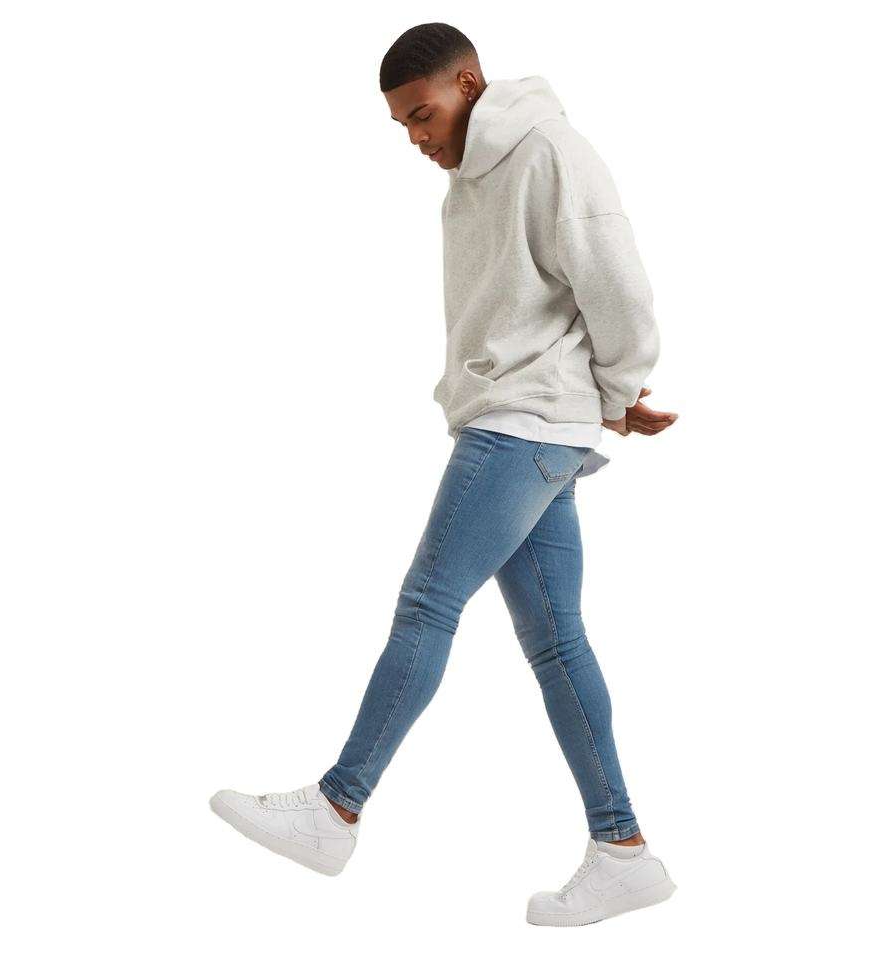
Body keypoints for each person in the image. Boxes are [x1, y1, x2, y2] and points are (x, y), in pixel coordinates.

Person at [210, 22, 680, 926]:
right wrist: (605, 401)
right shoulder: (472, 176)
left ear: (468, 83)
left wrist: (618, 391)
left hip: (520, 425)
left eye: (422, 114)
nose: (416, 137)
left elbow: (618, 282)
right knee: (557, 643)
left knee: (429, 604)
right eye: (402, 125)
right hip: (530, 420)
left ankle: (336, 809)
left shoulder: (549, 151)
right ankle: (623, 851)